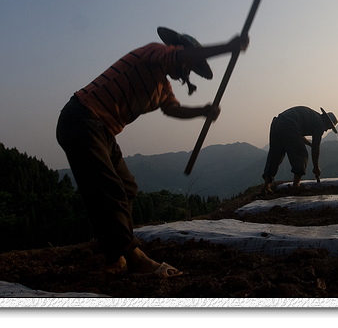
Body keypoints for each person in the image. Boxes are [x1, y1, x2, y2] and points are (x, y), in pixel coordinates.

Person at [56, 27, 248, 277]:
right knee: (107, 189)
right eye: (189, 63)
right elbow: (178, 58)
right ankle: (132, 257)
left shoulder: (162, 86)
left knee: (126, 188)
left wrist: (202, 111)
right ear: (179, 50)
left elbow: (172, 109)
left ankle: (115, 256)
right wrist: (227, 47)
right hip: (81, 118)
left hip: (103, 130)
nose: (186, 71)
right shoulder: (153, 52)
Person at [261, 106, 338, 195]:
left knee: (275, 154)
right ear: (327, 121)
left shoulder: (313, 117)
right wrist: (316, 167)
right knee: (302, 154)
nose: (327, 129)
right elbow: (316, 150)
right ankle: (296, 185)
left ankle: (266, 186)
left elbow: (298, 135)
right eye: (330, 126)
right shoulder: (320, 124)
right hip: (288, 124)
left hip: (277, 123)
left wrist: (310, 144)